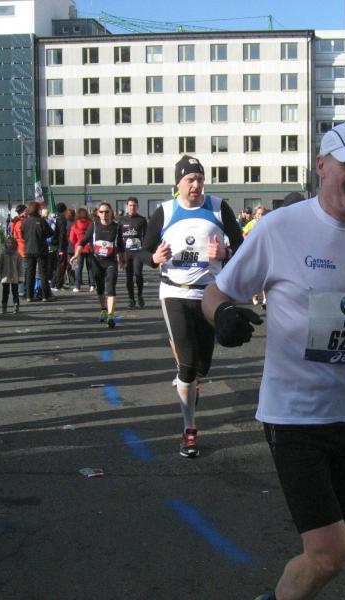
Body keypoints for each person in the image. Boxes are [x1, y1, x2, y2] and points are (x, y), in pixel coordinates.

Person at [201, 122, 345, 600]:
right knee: (330, 554)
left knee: (336, 547)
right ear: (322, 166)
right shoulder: (279, 228)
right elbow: (216, 292)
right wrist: (223, 315)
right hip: (294, 415)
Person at [139, 155, 243, 458]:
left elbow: (243, 247)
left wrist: (225, 253)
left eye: (199, 178)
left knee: (202, 367)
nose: (195, 185)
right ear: (178, 183)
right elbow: (143, 252)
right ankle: (189, 430)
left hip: (209, 294)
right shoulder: (165, 211)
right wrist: (154, 259)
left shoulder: (219, 207)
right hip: (174, 292)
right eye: (190, 179)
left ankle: (187, 372)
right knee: (187, 365)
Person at [71, 202, 125, 328]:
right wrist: (76, 255)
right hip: (96, 261)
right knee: (100, 288)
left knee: (111, 287)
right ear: (98, 213)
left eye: (107, 211)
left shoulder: (116, 227)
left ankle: (111, 315)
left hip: (111, 261)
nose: (104, 214)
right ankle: (104, 309)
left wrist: (124, 260)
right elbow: (83, 242)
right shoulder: (94, 225)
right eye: (101, 212)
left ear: (111, 213)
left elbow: (121, 246)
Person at [21, 202, 55, 303]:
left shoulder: (25, 222)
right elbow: (50, 233)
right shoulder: (41, 221)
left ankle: (29, 296)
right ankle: (45, 296)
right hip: (41, 250)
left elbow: (22, 235)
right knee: (43, 273)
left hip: (28, 250)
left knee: (29, 273)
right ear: (38, 210)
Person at [120, 197, 148, 309]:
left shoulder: (142, 220)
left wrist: (145, 250)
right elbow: (118, 237)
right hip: (126, 253)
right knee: (129, 276)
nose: (132, 207)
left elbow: (146, 236)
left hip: (138, 252)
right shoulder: (122, 220)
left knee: (138, 274)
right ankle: (131, 299)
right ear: (127, 206)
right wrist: (119, 254)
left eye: (134, 205)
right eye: (130, 205)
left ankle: (140, 295)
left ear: (137, 207)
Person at [69, 207, 95, 292]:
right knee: (90, 267)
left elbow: (72, 239)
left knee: (78, 268)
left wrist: (77, 243)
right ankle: (92, 285)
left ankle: (77, 286)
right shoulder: (91, 223)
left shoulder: (75, 225)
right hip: (90, 247)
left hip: (78, 249)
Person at [0, 236, 23, 314]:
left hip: (15, 276)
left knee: (15, 292)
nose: (10, 244)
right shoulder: (2, 254)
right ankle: (4, 307)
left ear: (15, 244)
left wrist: (21, 277)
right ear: (5, 244)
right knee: (5, 292)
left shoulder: (17, 254)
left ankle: (16, 306)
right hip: (5, 276)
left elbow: (20, 267)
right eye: (8, 243)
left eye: (11, 243)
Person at [50, 202, 70, 291]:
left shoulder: (53, 217)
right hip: (60, 245)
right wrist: (61, 248)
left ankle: (57, 283)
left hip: (52, 244)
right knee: (61, 265)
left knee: (57, 265)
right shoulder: (62, 219)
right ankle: (57, 284)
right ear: (64, 210)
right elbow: (62, 234)